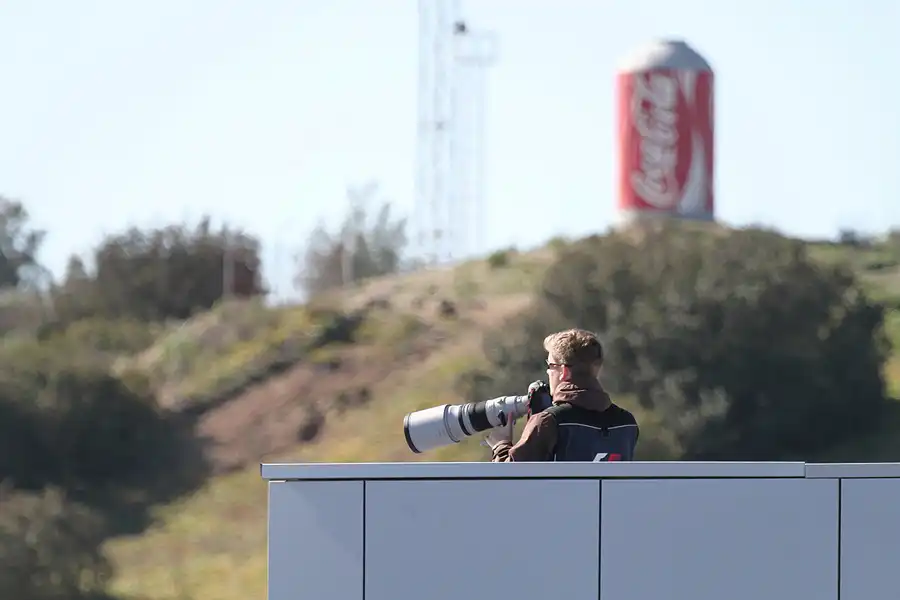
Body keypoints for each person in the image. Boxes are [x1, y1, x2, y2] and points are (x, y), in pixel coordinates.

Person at [486, 328, 639, 462]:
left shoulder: (549, 421)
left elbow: (510, 477)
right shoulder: (627, 423)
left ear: (564, 371)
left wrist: (501, 445)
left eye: (550, 365)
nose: (548, 372)